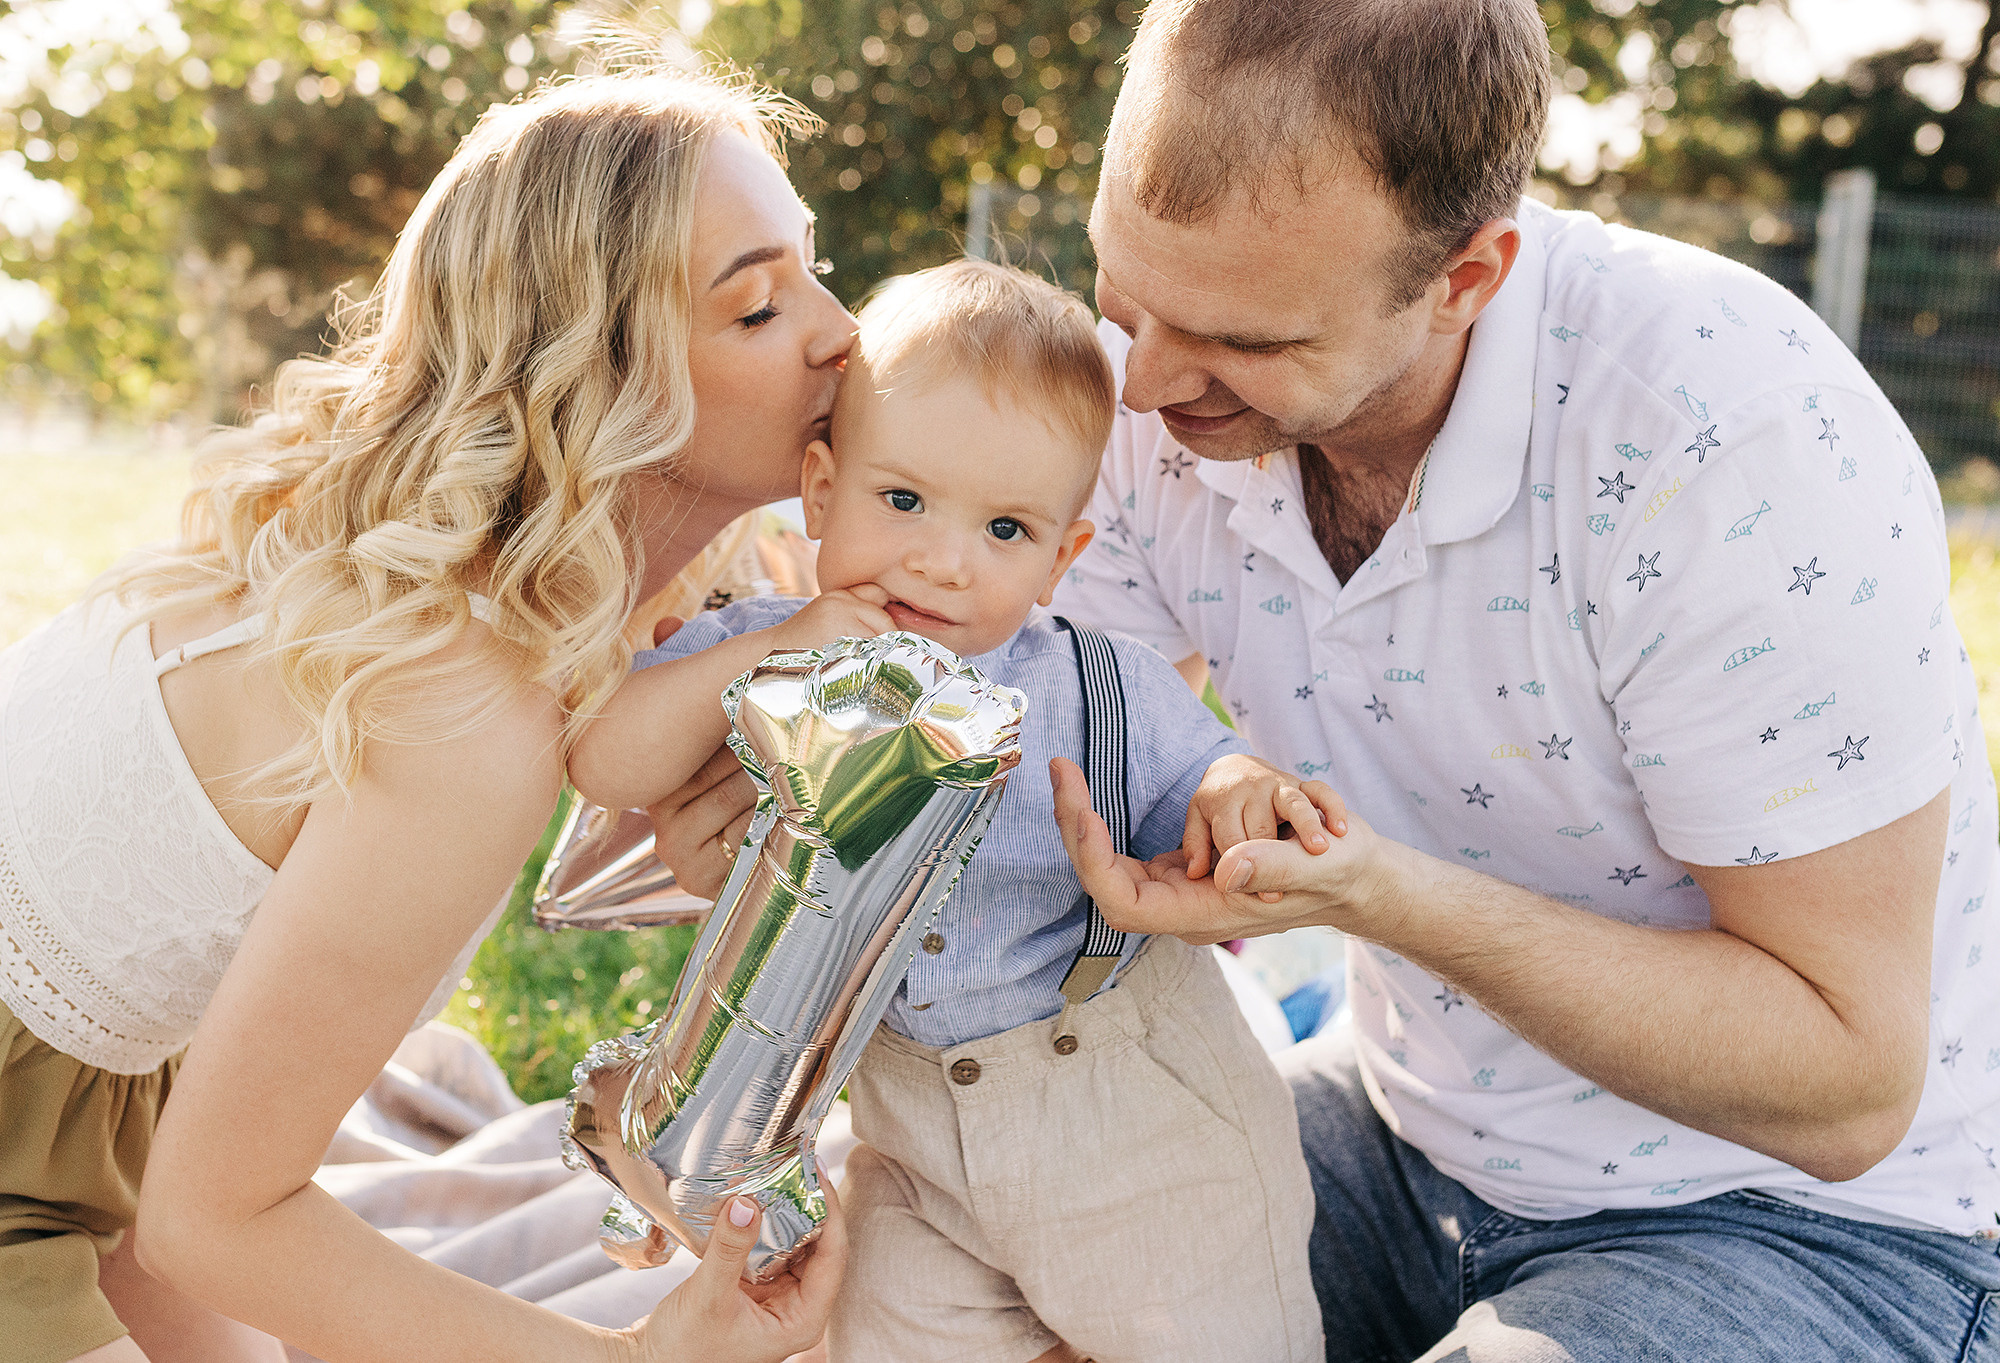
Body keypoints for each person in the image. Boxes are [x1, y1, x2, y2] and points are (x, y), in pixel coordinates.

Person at [1036, 0, 2000, 1359]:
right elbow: (1055, 718)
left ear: (1470, 274)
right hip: (1402, 1128)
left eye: (1246, 342)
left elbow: (1848, 1081)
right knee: (971, 1295)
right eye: (1122, 289)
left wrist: (1388, 894)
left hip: (1803, 1223)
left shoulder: (1723, 442)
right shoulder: (1162, 393)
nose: (1142, 386)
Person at [0, 67, 855, 1363]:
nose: (839, 329)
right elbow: (212, 1218)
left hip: (94, 1112)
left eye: (813, 267)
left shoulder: (434, 564)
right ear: (600, 379)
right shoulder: (462, 700)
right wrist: (643, 1355)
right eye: (756, 303)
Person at [568, 258, 1326, 1363]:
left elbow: (1204, 770)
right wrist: (774, 650)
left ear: (1063, 557)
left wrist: (1241, 792)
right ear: (821, 491)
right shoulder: (773, 646)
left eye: (1005, 531)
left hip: (1136, 1130)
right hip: (909, 1139)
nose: (943, 561)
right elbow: (605, 760)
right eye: (903, 500)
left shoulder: (1089, 686)